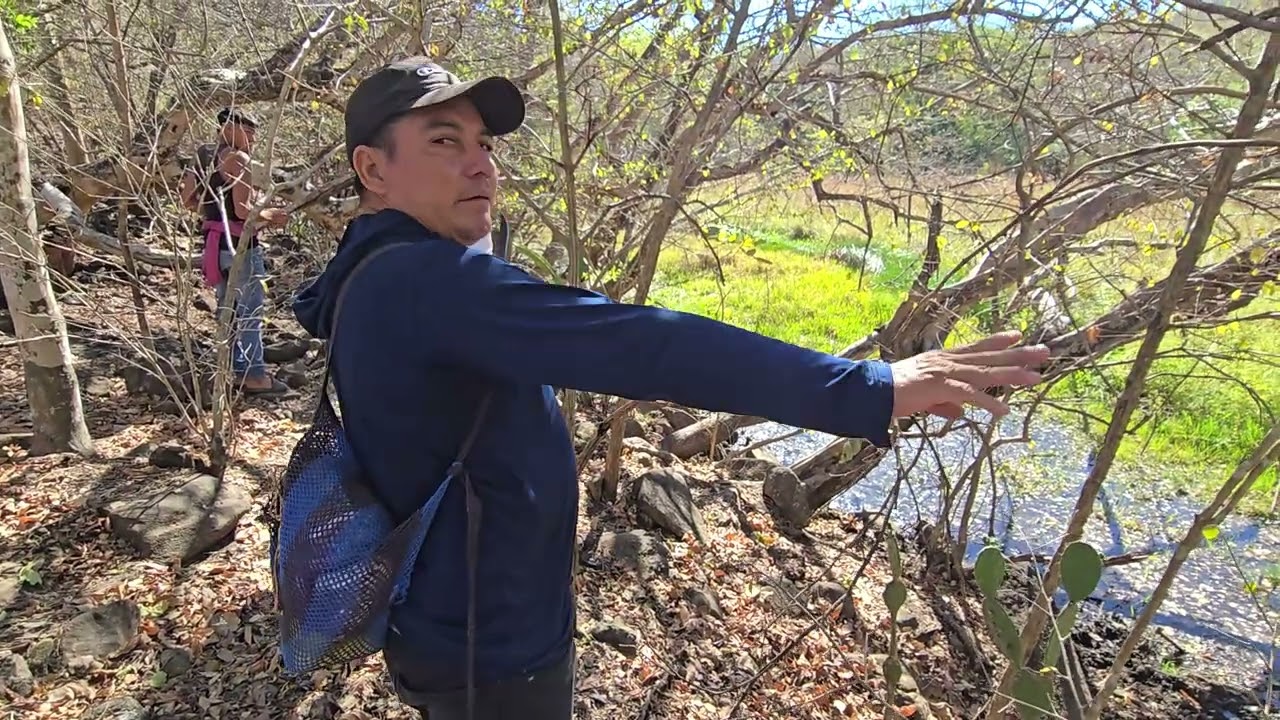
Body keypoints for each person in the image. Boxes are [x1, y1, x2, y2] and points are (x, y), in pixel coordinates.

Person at [291, 58, 1049, 720]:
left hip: (448, 617)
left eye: (484, 144)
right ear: (373, 169)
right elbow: (644, 343)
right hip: (490, 645)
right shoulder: (430, 284)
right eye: (444, 143)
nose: (483, 165)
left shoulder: (374, 273)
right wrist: (868, 389)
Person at [179, 107, 290, 395]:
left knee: (226, 312)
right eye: (248, 131)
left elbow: (188, 200)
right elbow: (243, 211)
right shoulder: (237, 159)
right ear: (228, 127)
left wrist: (213, 214)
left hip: (214, 247)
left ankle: (226, 370)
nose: (252, 139)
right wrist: (271, 216)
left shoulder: (203, 154)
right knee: (250, 312)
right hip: (240, 246)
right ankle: (253, 375)